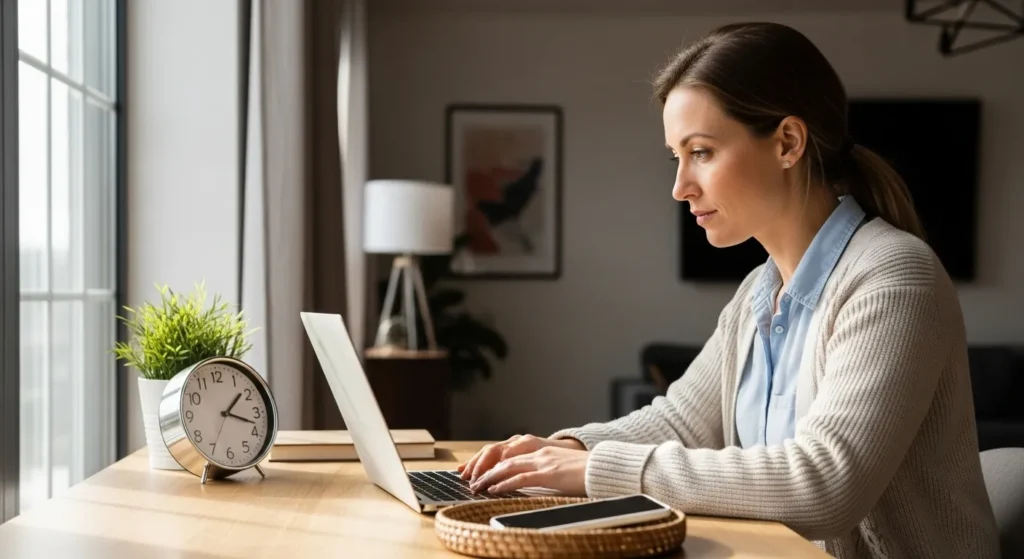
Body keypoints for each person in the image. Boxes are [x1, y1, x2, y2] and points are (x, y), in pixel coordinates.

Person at [457, 22, 1000, 559]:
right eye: (677, 156)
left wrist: (594, 472)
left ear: (788, 142)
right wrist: (567, 448)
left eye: (702, 152)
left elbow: (825, 484)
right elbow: (683, 421)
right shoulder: (760, 292)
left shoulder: (893, 277)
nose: (680, 187)